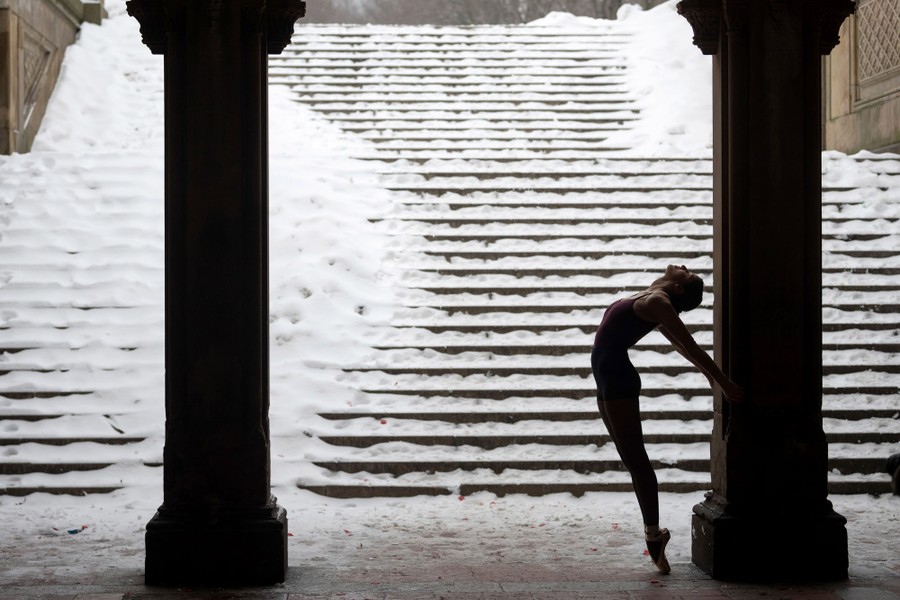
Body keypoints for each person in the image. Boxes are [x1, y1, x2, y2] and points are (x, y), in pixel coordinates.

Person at [591, 265, 743, 574]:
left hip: (618, 377)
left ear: (677, 289)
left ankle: (653, 534)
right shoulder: (653, 295)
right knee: (630, 459)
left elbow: (687, 344)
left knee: (637, 460)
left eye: (685, 275)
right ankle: (654, 536)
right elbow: (679, 343)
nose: (682, 268)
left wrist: (720, 381)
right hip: (607, 376)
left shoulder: (660, 301)